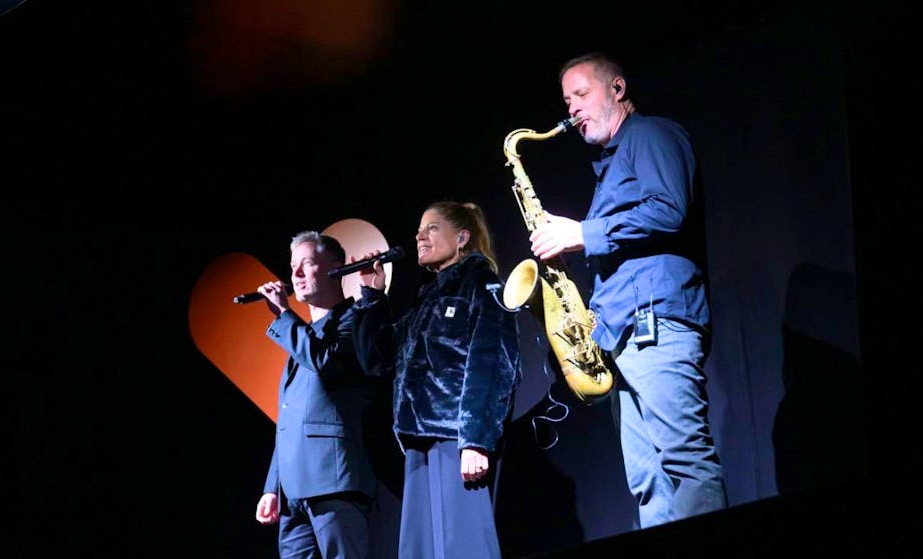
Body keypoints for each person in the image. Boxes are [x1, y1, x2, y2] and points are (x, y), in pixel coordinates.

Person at [527, 52, 728, 529]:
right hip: (623, 332)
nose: (572, 109)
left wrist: (584, 235)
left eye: (581, 94)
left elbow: (669, 209)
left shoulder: (652, 134)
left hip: (656, 321)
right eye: (566, 100)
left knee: (685, 461)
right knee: (648, 480)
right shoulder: (611, 165)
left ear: (617, 90)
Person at [352, 201, 520, 559]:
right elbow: (378, 360)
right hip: (417, 446)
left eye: (431, 228)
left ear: (462, 237)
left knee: (463, 546)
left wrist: (474, 440)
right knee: (421, 550)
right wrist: (371, 295)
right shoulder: (428, 298)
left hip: (455, 440)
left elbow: (492, 364)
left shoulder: (483, 284)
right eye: (419, 229)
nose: (419, 236)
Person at [253, 231, 382, 558]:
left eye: (307, 264)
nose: (294, 275)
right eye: (292, 266)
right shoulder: (301, 338)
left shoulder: (356, 321)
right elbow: (288, 418)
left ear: (335, 268)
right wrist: (273, 487)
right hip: (293, 493)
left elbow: (325, 361)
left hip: (334, 483)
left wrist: (283, 315)